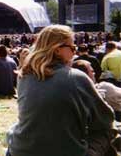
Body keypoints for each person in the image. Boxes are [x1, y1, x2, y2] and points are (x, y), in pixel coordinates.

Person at [6, 25, 115, 156]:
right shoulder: (76, 77)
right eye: (72, 48)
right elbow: (106, 118)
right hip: (66, 151)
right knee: (106, 131)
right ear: (57, 50)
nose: (74, 52)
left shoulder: (24, 76)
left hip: (19, 150)